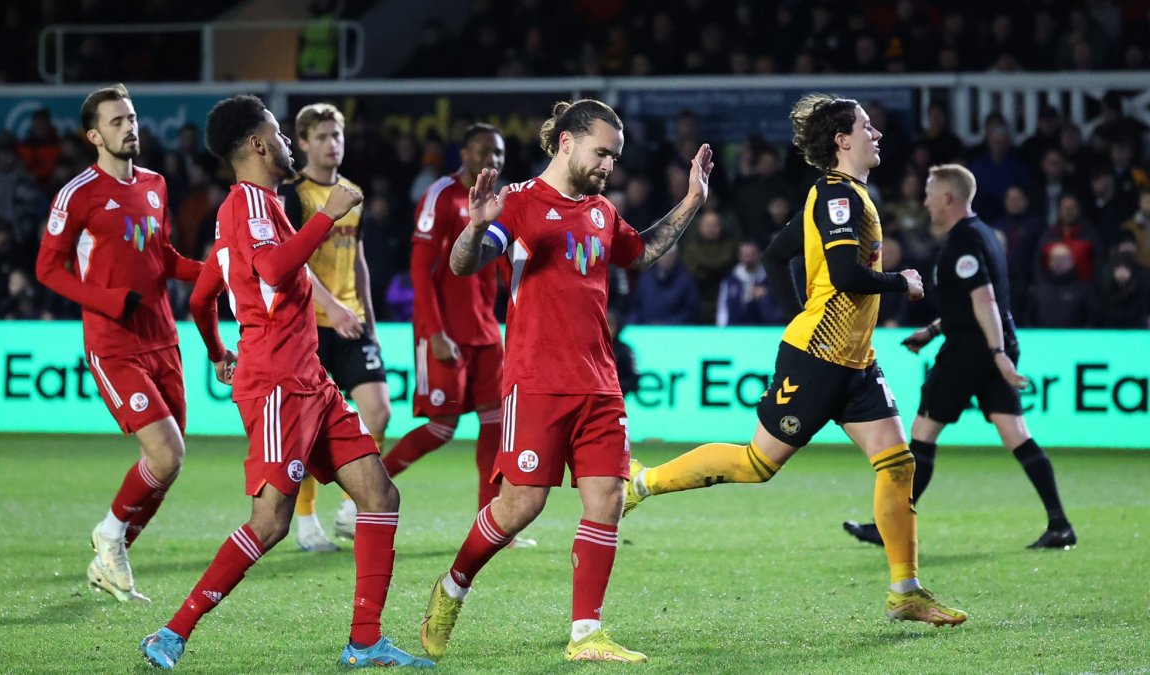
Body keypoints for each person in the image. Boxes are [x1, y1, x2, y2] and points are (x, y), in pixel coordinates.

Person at [623, 93, 967, 628]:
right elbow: (848, 275)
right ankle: (640, 483)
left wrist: (796, 313)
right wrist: (902, 281)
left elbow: (776, 255)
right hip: (819, 358)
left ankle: (906, 592)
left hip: (854, 359)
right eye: (866, 127)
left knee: (898, 465)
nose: (876, 134)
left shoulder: (840, 194)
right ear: (842, 140)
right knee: (756, 464)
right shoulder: (838, 198)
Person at [139, 95, 431, 670]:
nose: (289, 141)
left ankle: (365, 642)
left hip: (310, 383)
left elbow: (203, 295)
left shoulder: (260, 208)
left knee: (379, 494)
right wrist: (330, 213)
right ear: (257, 143)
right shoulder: (246, 205)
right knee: (270, 521)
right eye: (279, 130)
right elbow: (273, 270)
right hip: (277, 388)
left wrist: (219, 349)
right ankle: (171, 633)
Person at [419, 99, 714, 663]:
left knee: (606, 498)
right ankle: (453, 586)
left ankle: (586, 634)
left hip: (600, 384)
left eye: (616, 156)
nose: (609, 165)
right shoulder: (522, 205)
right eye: (603, 153)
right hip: (536, 383)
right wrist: (477, 225)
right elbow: (466, 263)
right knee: (519, 507)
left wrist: (692, 201)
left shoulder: (602, 212)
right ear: (567, 143)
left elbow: (644, 251)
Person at [843, 164, 1077, 550]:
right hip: (984, 346)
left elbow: (983, 301)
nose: (925, 201)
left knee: (922, 434)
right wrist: (934, 331)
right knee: (1015, 433)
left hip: (969, 354)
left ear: (948, 198)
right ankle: (1059, 524)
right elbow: (973, 305)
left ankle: (891, 528)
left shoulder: (962, 243)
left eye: (930, 194)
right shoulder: (983, 233)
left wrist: (996, 353)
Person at [35, 84, 201, 604]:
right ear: (94, 136)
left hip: (164, 339)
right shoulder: (78, 194)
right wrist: (106, 301)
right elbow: (46, 268)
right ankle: (110, 535)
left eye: (131, 118)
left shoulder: (155, 184)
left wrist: (217, 271)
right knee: (165, 451)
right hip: (113, 344)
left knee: (168, 466)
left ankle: (110, 555)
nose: (129, 127)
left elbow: (164, 255)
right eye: (116, 122)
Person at [379, 123, 533, 547]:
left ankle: (492, 525)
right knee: (442, 428)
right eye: (485, 151)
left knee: (496, 425)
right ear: (463, 154)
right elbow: (420, 270)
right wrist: (433, 332)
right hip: (446, 331)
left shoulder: (503, 201)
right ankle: (364, 492)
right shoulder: (441, 196)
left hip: (486, 331)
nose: (494, 160)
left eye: (499, 153)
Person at [277, 102, 389, 552]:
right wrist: (332, 308)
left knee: (378, 411)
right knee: (305, 428)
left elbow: (357, 259)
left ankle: (348, 509)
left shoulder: (351, 192)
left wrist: (367, 317)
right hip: (312, 324)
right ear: (303, 143)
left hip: (351, 321)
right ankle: (306, 524)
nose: (331, 144)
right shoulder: (295, 195)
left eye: (336, 136)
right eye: (322, 137)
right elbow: (292, 260)